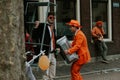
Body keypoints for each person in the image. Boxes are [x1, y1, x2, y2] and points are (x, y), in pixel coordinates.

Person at [32, 12, 59, 80]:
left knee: (52, 73)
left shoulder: (54, 28)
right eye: (50, 17)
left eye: (53, 18)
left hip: (53, 53)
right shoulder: (43, 26)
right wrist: (36, 27)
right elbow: (34, 36)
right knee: (45, 74)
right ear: (47, 18)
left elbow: (54, 40)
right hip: (46, 53)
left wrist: (57, 47)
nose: (52, 19)